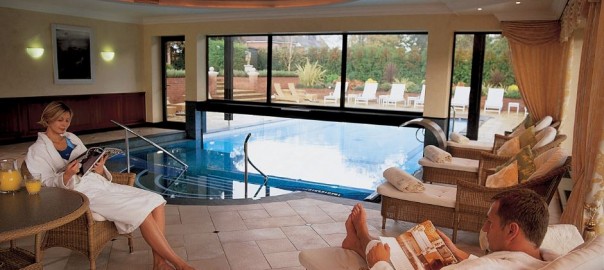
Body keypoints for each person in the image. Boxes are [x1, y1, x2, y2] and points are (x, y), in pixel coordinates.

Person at [25, 101, 195, 270]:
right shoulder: (37, 150)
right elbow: (44, 184)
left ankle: (159, 263)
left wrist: (98, 168)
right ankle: (179, 264)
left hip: (98, 184)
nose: (64, 124)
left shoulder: (72, 138)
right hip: (78, 194)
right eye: (60, 120)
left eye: (67, 120)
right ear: (47, 119)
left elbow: (87, 163)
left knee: (157, 200)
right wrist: (67, 175)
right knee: (142, 209)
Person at [342, 189, 559, 270]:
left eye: (490, 222)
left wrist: (378, 263)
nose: (484, 229)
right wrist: (459, 252)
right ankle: (357, 241)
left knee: (385, 255)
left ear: (512, 231)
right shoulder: (546, 260)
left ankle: (361, 236)